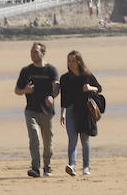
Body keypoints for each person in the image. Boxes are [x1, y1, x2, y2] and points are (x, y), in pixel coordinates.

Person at [14, 41, 59, 177]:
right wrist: (25, 90)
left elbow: (57, 86)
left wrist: (52, 96)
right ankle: (35, 168)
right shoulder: (26, 71)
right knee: (34, 138)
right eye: (32, 51)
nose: (33, 54)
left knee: (47, 141)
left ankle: (47, 167)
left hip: (47, 111)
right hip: (31, 110)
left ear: (42, 53)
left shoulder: (51, 69)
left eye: (36, 51)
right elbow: (17, 90)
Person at [59, 49, 102, 176]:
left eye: (73, 61)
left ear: (79, 62)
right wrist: (62, 113)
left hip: (85, 111)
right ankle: (72, 165)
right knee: (72, 139)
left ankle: (86, 167)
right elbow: (64, 97)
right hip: (71, 111)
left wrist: (90, 88)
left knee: (85, 140)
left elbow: (99, 88)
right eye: (69, 61)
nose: (71, 63)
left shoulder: (87, 75)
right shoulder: (65, 78)